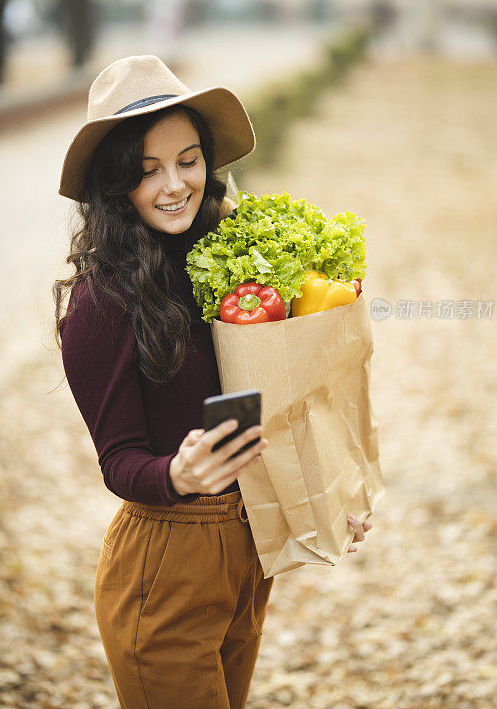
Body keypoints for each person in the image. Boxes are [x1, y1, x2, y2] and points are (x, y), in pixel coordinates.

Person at [53, 54, 371, 709]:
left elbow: (279, 399)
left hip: (251, 550)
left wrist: (326, 487)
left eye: (188, 160)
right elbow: (119, 460)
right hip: (163, 568)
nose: (174, 185)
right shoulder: (101, 302)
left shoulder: (223, 262)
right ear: (116, 185)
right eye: (147, 171)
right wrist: (175, 474)